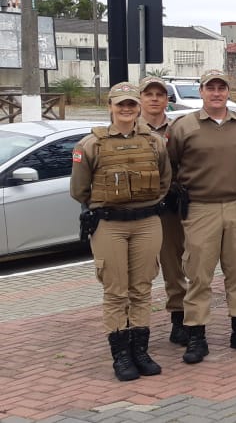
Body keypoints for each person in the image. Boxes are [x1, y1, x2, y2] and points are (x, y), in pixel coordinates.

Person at [70, 82, 171, 381]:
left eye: (131, 104)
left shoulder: (154, 142)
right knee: (116, 291)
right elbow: (79, 189)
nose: (126, 109)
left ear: (138, 107)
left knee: (142, 289)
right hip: (109, 224)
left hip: (147, 222)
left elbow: (165, 180)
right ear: (110, 107)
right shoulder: (90, 144)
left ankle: (140, 350)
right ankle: (121, 356)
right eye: (120, 104)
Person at [167, 70, 236, 364]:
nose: (217, 93)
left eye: (222, 88)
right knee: (199, 275)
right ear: (202, 91)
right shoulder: (184, 126)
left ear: (228, 92)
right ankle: (196, 335)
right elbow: (171, 163)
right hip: (200, 208)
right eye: (211, 88)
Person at [138, 76, 188, 347]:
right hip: (140, 207)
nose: (155, 98)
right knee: (142, 269)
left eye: (161, 94)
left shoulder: (179, 127)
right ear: (140, 98)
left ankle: (178, 319)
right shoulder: (129, 128)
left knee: (174, 262)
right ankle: (135, 328)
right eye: (149, 94)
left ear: (167, 98)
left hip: (171, 207)